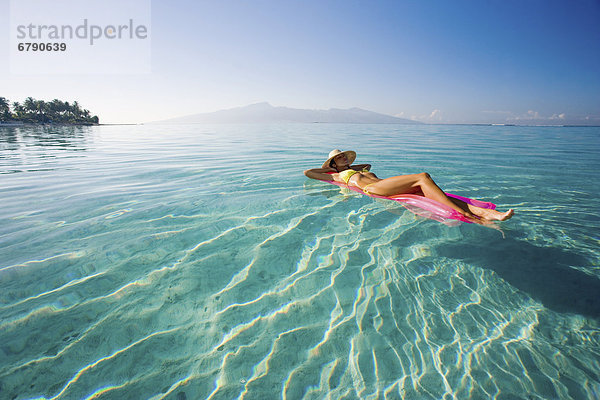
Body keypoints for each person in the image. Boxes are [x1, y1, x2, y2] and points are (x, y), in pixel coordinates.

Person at [304, 149, 514, 222]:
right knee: (423, 177)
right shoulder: (335, 177)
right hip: (375, 189)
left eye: (343, 156)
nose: (342, 157)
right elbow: (308, 172)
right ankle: (467, 214)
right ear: (331, 164)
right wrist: (333, 169)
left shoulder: (357, 169)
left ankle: (487, 214)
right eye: (338, 157)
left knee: (429, 191)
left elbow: (368, 165)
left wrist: (349, 164)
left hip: (384, 185)